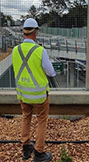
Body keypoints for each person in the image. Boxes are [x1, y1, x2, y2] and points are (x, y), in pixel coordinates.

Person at [12, 18, 56, 162]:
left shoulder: (15, 50)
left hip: (23, 95)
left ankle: (26, 148)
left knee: (26, 117)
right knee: (41, 121)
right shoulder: (40, 50)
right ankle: (39, 153)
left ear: (24, 32)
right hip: (39, 96)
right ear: (35, 32)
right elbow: (51, 72)